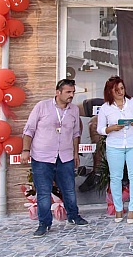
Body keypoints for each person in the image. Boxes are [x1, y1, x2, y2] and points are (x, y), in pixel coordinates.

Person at [21, 79, 89, 237]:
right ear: (58, 92)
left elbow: (76, 134)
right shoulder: (42, 106)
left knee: (69, 190)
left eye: (73, 92)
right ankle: (44, 224)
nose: (71, 95)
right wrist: (25, 150)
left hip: (65, 156)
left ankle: (73, 216)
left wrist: (75, 153)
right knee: (44, 192)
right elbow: (29, 130)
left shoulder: (74, 110)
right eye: (68, 92)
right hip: (42, 157)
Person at [97, 76, 133, 223]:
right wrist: (111, 128)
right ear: (110, 91)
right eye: (116, 90)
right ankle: (118, 209)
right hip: (114, 145)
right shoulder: (105, 107)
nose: (120, 92)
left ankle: (132, 209)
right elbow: (100, 129)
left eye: (122, 88)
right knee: (115, 178)